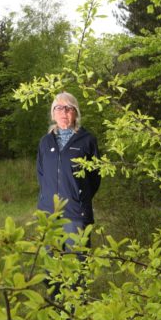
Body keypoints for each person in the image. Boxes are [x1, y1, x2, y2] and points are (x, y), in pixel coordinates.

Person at [36, 92, 101, 257]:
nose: (63, 113)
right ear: (53, 113)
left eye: (68, 108)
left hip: (76, 212)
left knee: (77, 261)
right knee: (51, 263)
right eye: (58, 108)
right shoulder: (45, 141)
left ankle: (77, 284)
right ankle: (54, 284)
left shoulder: (87, 140)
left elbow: (95, 177)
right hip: (49, 212)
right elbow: (41, 174)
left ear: (76, 113)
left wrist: (79, 195)